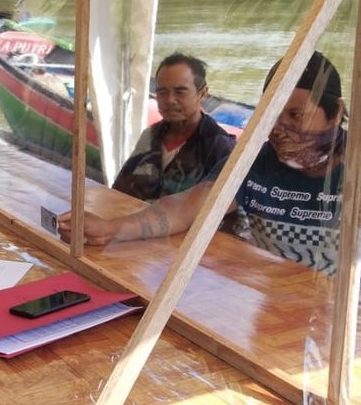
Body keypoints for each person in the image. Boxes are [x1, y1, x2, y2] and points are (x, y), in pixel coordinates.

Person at [58, 51, 345, 275]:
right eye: (271, 114)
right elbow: (188, 206)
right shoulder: (253, 161)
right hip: (272, 306)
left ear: (336, 113)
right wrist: (111, 229)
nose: (279, 129)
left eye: (295, 116)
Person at [113, 53, 235, 200]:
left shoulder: (219, 147)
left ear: (202, 94)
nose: (170, 100)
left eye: (180, 92)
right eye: (162, 92)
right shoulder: (150, 136)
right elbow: (119, 190)